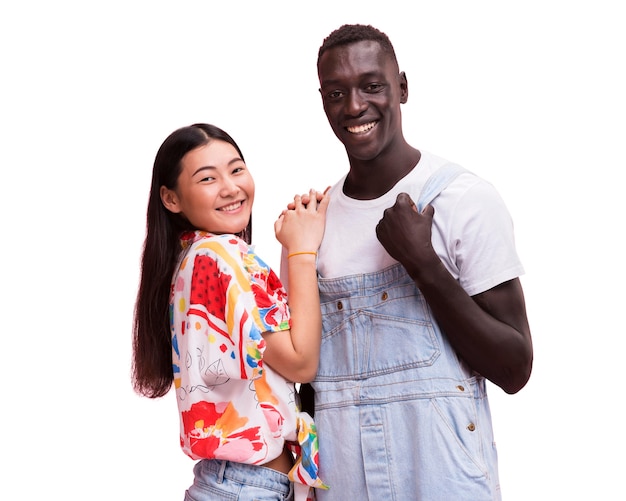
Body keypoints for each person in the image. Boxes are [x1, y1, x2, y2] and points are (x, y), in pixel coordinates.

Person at [287, 24, 533, 500]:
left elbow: (515, 368)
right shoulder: (311, 225)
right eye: (336, 93)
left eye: (372, 86)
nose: (354, 106)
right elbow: (308, 387)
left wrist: (423, 265)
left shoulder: (464, 199)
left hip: (444, 484)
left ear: (402, 87)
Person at [131, 123, 329, 501]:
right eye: (207, 178)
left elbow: (275, 345)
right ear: (171, 199)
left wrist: (290, 248)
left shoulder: (190, 259)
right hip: (246, 488)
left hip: (233, 485)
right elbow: (301, 362)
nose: (230, 187)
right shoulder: (221, 256)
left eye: (236, 169)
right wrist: (303, 250)